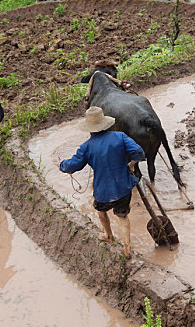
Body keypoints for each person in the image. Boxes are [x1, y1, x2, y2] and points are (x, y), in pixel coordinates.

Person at [59, 106, 146, 259]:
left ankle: (108, 235)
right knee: (122, 216)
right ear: (105, 123)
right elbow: (139, 152)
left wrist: (62, 165)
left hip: (103, 191)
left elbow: (74, 165)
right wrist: (131, 165)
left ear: (89, 128)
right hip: (124, 186)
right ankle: (127, 247)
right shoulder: (120, 136)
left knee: (100, 211)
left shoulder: (86, 147)